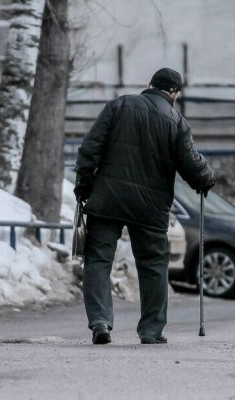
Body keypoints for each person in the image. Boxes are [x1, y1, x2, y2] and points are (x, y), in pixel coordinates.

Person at [74, 67, 215, 345]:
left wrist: (84, 187)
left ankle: (100, 322)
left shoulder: (119, 105)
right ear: (174, 94)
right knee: (153, 265)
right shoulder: (176, 121)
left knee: (99, 260)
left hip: (108, 199)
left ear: (149, 84)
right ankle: (151, 330)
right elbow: (191, 165)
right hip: (150, 208)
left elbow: (90, 149)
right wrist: (206, 178)